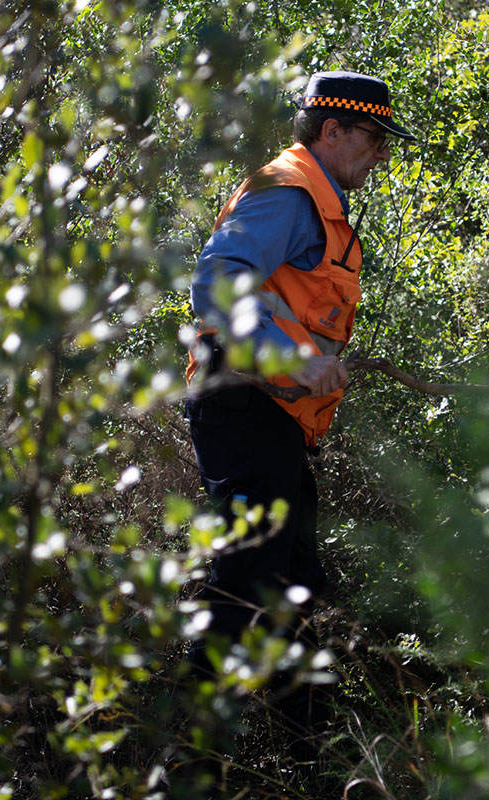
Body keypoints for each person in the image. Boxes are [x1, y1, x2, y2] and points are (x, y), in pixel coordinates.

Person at [181, 71, 416, 761]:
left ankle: (307, 749)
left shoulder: (322, 202)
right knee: (252, 573)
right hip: (241, 401)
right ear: (332, 130)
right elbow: (217, 281)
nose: (381, 154)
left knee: (294, 580)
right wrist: (292, 353)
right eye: (374, 138)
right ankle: (189, 755)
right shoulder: (289, 192)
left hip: (271, 416)